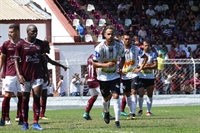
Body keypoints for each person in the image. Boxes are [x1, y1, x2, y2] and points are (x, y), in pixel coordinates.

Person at [14, 24, 48, 130]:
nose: (35, 33)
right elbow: (16, 60)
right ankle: (25, 123)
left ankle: (36, 123)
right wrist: (19, 75)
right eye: (33, 31)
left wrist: (46, 73)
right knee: (25, 100)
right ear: (27, 32)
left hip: (37, 75)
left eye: (36, 31)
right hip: (25, 76)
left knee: (37, 98)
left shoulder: (40, 44)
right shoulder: (20, 44)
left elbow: (43, 59)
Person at [92, 25, 125, 128]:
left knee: (116, 96)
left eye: (112, 34)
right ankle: (106, 111)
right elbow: (94, 63)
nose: (110, 36)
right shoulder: (99, 48)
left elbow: (123, 58)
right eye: (108, 34)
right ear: (104, 35)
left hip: (114, 76)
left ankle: (117, 121)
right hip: (103, 77)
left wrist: (120, 67)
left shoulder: (119, 46)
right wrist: (105, 65)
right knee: (106, 99)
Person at [0, 24, 23, 126]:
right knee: (7, 95)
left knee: (21, 96)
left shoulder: (23, 43)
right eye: (9, 32)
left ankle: (20, 117)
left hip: (22, 74)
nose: (10, 33)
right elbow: (2, 59)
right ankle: (4, 117)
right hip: (9, 74)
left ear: (17, 32)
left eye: (12, 31)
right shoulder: (5, 44)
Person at [120, 32, 147, 119]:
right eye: (126, 39)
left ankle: (132, 112)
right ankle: (131, 110)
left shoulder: (136, 49)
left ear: (131, 40)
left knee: (134, 92)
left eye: (129, 39)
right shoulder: (120, 50)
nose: (127, 41)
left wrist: (140, 68)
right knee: (127, 94)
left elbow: (145, 57)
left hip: (134, 74)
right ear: (123, 40)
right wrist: (119, 70)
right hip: (124, 75)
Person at [82, 50, 114, 120]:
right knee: (108, 95)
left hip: (90, 80)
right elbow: (97, 68)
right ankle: (105, 113)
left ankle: (86, 113)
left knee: (94, 96)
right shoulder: (98, 57)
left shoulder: (89, 57)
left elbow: (88, 67)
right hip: (96, 80)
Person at [40, 40, 68, 119]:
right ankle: (37, 114)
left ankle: (42, 115)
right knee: (38, 97)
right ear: (44, 47)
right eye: (48, 46)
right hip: (38, 78)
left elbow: (52, 62)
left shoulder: (45, 56)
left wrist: (62, 66)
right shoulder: (38, 55)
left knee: (44, 96)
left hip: (44, 78)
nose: (49, 48)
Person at [137, 40, 158, 116]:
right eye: (145, 45)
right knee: (141, 93)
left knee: (150, 94)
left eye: (148, 45)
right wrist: (141, 67)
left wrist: (147, 67)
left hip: (150, 77)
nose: (146, 47)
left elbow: (156, 65)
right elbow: (136, 65)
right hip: (141, 76)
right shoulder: (139, 54)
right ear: (142, 46)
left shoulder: (153, 54)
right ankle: (140, 109)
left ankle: (148, 111)